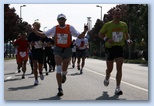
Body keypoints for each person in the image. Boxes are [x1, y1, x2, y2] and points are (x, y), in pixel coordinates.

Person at [32, 13, 88, 96]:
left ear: (65, 20)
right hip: (58, 49)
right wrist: (35, 31)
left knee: (64, 67)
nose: (61, 21)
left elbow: (80, 36)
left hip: (67, 49)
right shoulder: (55, 28)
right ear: (57, 20)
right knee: (58, 67)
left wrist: (85, 31)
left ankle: (64, 74)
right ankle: (60, 88)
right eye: (60, 19)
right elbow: (44, 35)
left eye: (63, 19)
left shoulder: (70, 28)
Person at [99, 8, 132, 95]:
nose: (117, 16)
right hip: (110, 48)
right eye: (116, 14)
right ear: (113, 15)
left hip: (119, 47)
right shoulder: (108, 25)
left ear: (121, 15)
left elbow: (126, 34)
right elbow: (100, 34)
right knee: (110, 69)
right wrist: (107, 39)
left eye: (119, 14)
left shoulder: (124, 25)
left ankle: (118, 88)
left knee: (119, 67)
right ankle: (107, 76)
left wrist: (128, 40)